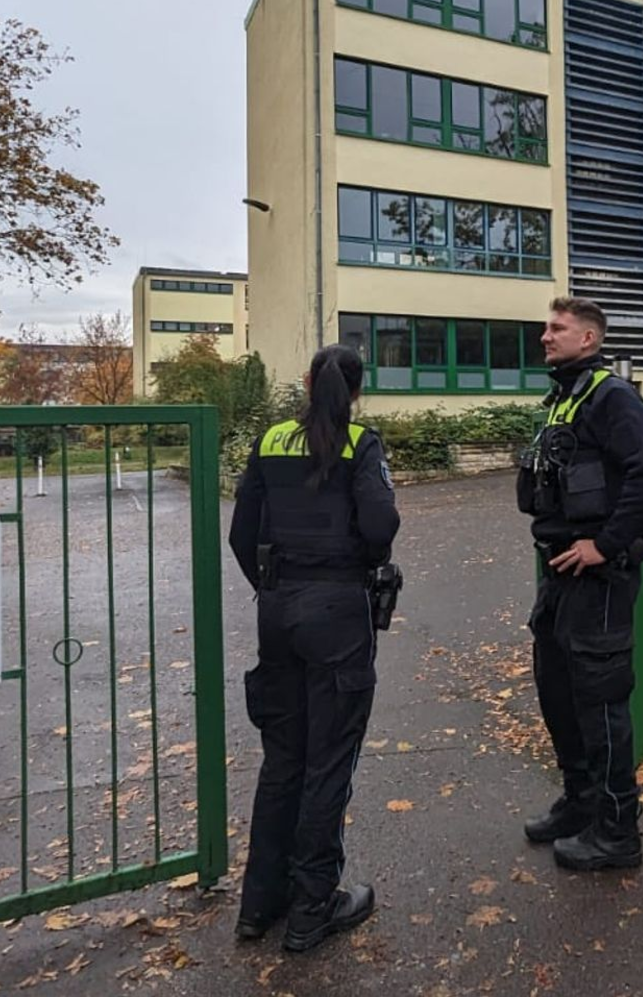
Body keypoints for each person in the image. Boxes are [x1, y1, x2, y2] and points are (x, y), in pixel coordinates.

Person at [229, 343, 400, 952]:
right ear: (357, 390)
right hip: (335, 615)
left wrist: (277, 589)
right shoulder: (360, 444)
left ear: (307, 383)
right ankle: (311, 909)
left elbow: (241, 531)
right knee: (328, 762)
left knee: (283, 761)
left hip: (277, 611)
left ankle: (260, 905)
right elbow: (380, 529)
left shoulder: (272, 440)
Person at [517, 296, 643, 871]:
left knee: (601, 702)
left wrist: (604, 544)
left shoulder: (611, 396)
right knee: (558, 691)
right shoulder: (565, 397)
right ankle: (580, 803)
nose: (545, 336)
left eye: (556, 328)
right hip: (560, 571)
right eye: (546, 326)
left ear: (588, 339)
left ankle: (616, 830)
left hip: (598, 575)